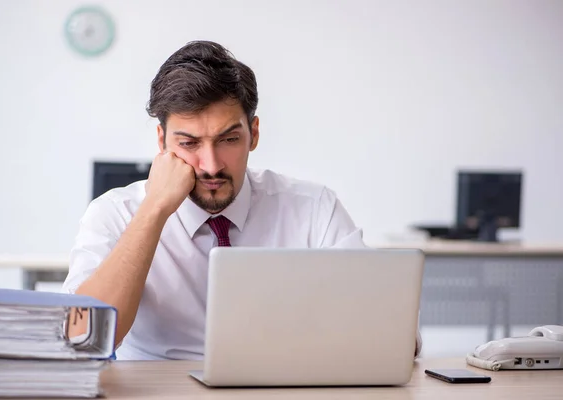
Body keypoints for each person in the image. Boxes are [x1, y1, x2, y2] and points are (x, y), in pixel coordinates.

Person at [62, 40, 421, 360]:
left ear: (254, 134)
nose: (211, 165)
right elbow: (82, 338)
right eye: (188, 144)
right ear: (162, 142)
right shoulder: (115, 212)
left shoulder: (313, 209)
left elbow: (393, 333)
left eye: (229, 139)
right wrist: (154, 210)